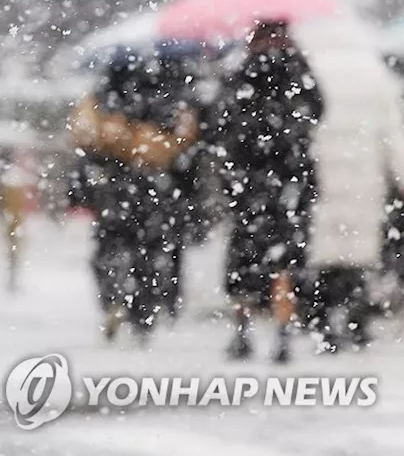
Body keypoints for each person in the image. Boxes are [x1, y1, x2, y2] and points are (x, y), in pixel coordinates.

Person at [68, 50, 200, 342]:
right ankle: (144, 313)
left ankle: (112, 298)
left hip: (112, 185)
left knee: (108, 245)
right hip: (155, 185)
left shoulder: (105, 93)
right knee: (150, 252)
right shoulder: (173, 92)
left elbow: (85, 140)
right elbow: (182, 144)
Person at [213, 19, 323, 363]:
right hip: (290, 180)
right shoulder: (298, 70)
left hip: (250, 183)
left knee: (245, 260)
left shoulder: (243, 72)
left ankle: (243, 331)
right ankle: (283, 333)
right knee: (286, 261)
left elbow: (222, 120)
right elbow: (318, 111)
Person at [296, 16, 404, 351]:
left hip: (322, 175)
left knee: (322, 251)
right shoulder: (375, 75)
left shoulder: (310, 70)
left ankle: (323, 321)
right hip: (363, 177)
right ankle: (355, 320)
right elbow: (392, 136)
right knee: (356, 254)